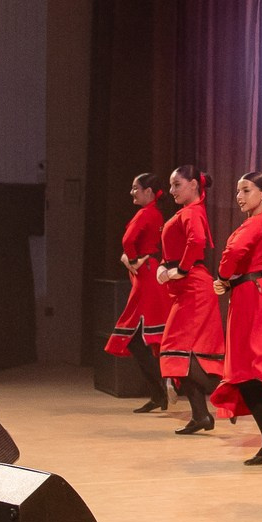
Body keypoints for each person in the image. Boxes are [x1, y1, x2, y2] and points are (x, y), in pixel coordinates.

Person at [210, 172, 262, 465]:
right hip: (249, 292)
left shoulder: (258, 222)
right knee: (247, 374)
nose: (239, 196)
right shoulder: (259, 221)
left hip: (253, 296)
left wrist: (223, 277)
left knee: (259, 368)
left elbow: (234, 252)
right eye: (238, 191)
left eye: (246, 190)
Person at [155, 165, 228, 433]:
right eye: (172, 185)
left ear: (194, 185)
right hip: (187, 287)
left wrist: (180, 269)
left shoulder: (192, 212)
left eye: (177, 185)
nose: (172, 190)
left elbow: (196, 241)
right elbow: (179, 246)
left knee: (174, 350)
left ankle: (232, 392)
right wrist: (165, 267)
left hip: (194, 288)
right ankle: (200, 415)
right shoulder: (187, 212)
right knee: (181, 354)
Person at [104, 173, 173, 414]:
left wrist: (131, 259)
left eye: (136, 188)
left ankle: (163, 388)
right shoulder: (154, 213)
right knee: (144, 337)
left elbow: (128, 240)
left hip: (146, 277)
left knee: (137, 337)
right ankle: (160, 391)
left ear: (149, 192)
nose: (132, 192)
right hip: (148, 274)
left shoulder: (147, 213)